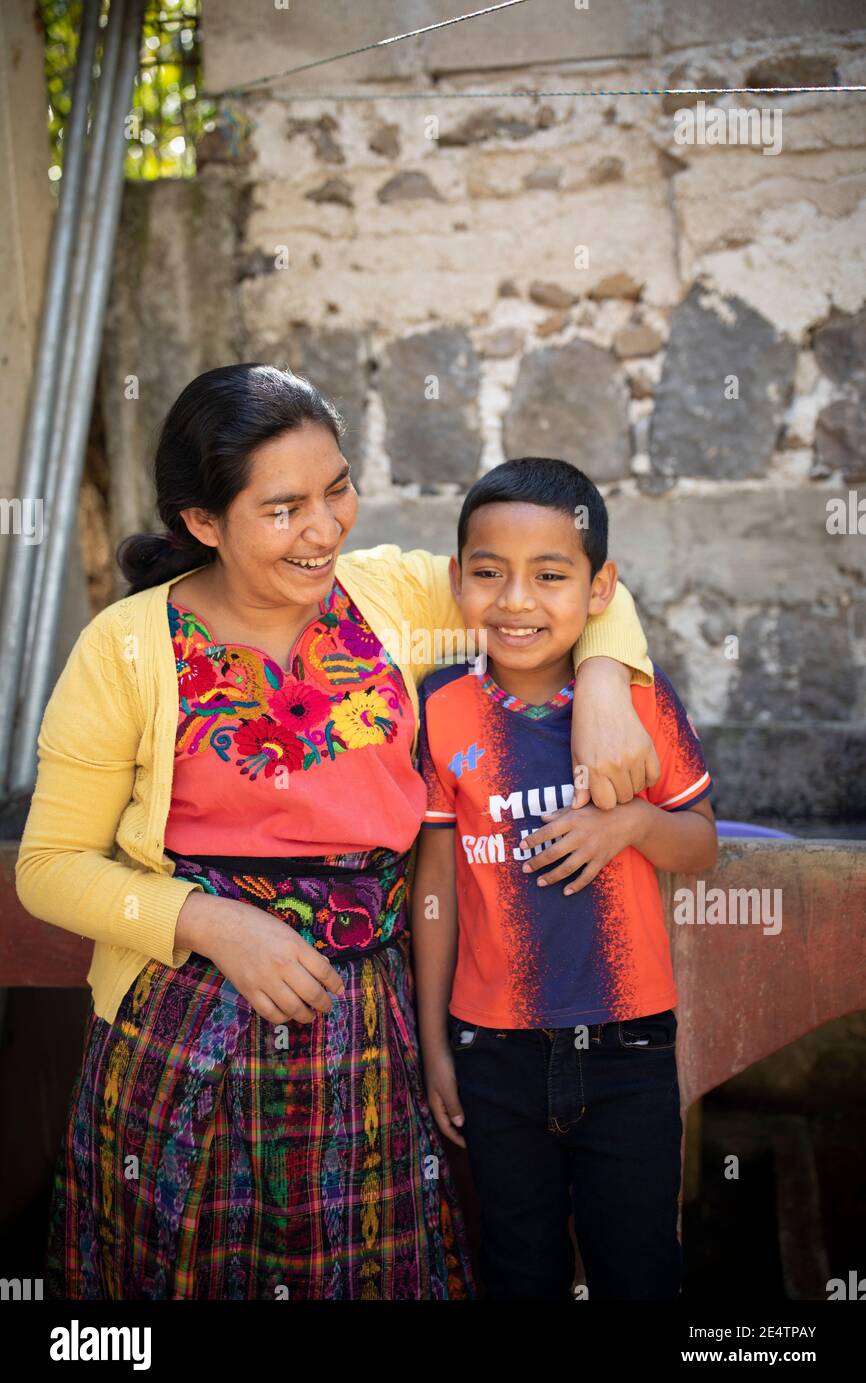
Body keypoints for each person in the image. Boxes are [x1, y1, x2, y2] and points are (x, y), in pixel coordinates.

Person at [15, 365, 659, 1300]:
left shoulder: (389, 599)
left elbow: (573, 583)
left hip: (363, 1033)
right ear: (203, 522)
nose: (325, 529)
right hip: (184, 1032)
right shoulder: (125, 647)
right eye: (283, 509)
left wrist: (601, 683)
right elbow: (49, 866)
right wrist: (212, 924)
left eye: (337, 488)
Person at [412, 456, 718, 1301]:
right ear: (456, 581)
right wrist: (437, 1043)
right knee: (518, 1265)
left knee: (641, 1266)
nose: (516, 600)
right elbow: (433, 892)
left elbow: (700, 843)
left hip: (628, 1047)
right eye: (489, 574)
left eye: (550, 575)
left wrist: (628, 824)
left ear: (599, 588)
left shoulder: (638, 706)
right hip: (493, 1050)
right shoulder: (440, 709)